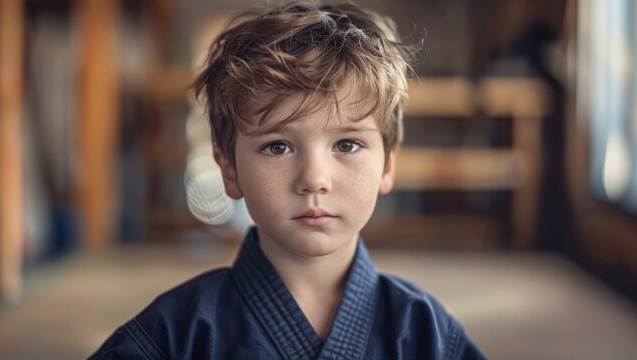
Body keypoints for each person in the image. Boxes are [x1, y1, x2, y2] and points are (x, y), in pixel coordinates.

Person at [90, 2, 486, 359]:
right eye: (277, 147)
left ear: (387, 165)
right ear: (229, 169)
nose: (314, 179)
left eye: (347, 144)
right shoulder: (177, 334)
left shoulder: (426, 334)